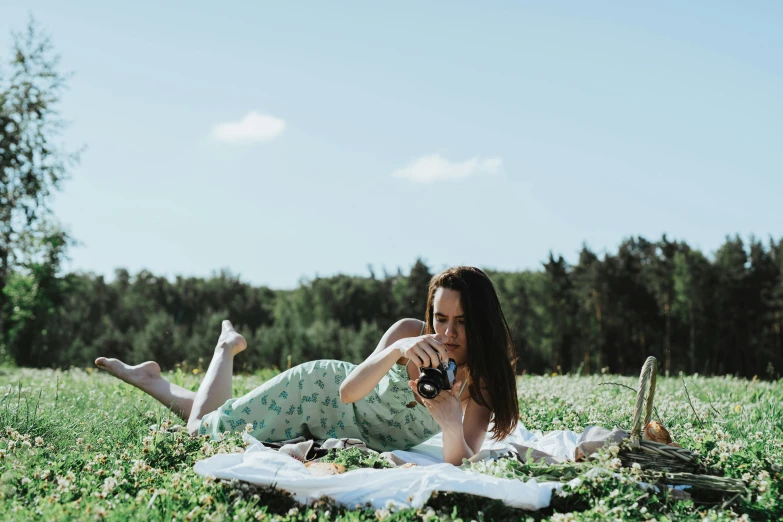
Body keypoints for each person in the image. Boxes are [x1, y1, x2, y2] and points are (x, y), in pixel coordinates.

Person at [95, 266, 519, 465]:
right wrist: (396, 351)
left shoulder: (480, 383)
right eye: (440, 318)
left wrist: (449, 423)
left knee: (216, 423)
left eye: (462, 322)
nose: (446, 333)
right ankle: (226, 348)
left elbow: (461, 459)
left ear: (481, 322)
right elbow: (348, 393)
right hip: (313, 394)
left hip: (333, 434)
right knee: (200, 435)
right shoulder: (408, 332)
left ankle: (152, 378)